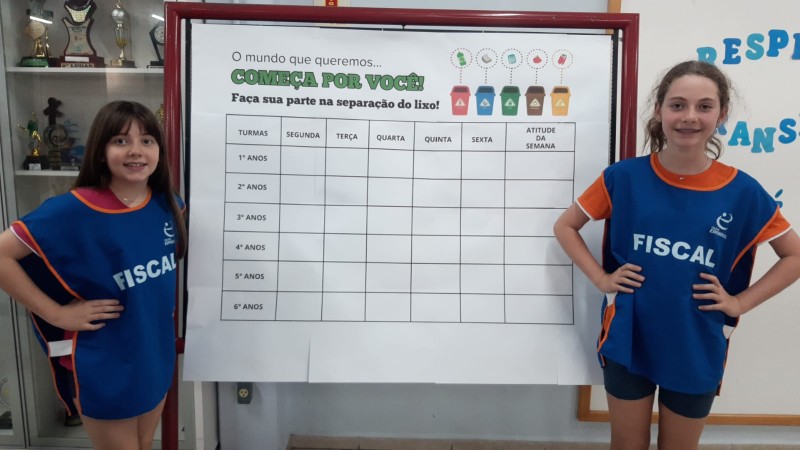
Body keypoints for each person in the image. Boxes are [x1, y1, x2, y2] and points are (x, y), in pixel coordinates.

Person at [553, 60, 800, 450]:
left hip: (696, 342)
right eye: (678, 104)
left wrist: (739, 302)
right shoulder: (623, 177)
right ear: (659, 110)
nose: (689, 116)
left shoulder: (743, 191)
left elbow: (794, 256)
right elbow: (565, 226)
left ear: (722, 114)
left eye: (704, 106)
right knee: (627, 445)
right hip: (628, 335)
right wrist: (601, 278)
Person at [0, 100, 187, 450]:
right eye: (121, 140)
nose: (136, 150)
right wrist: (57, 313)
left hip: (154, 354)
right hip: (105, 362)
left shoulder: (167, 204)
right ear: (101, 151)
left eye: (147, 140)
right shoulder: (71, 210)